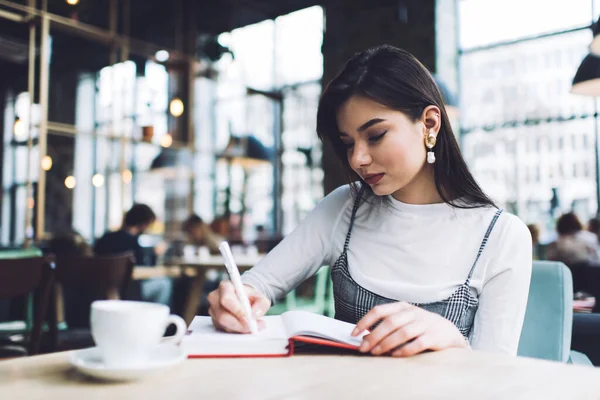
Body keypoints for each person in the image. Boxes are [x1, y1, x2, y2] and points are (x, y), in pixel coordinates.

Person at [208, 45, 532, 357]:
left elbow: (497, 376)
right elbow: (257, 285)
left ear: (430, 124)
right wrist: (236, 300)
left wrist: (455, 343)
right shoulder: (342, 209)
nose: (357, 159)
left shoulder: (501, 236)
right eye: (348, 143)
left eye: (375, 136)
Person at [95, 204, 172, 305]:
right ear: (144, 224)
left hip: (99, 290)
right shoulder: (133, 243)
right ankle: (160, 320)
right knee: (165, 284)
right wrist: (154, 254)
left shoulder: (105, 238)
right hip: (128, 292)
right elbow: (141, 270)